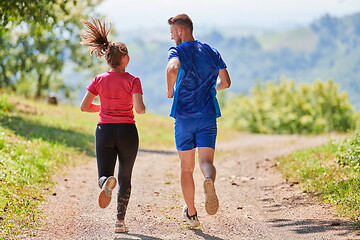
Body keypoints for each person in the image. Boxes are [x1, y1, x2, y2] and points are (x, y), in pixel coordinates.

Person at [79, 17, 145, 233]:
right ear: (125, 58)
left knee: (104, 174)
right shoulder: (133, 80)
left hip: (105, 130)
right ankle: (119, 222)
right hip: (127, 131)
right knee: (125, 177)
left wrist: (105, 107)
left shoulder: (98, 79)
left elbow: (84, 107)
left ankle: (106, 182)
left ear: (107, 59)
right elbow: (139, 109)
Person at [166, 14, 231, 228]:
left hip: (184, 116)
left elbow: (172, 68)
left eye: (172, 32)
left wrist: (170, 89)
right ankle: (208, 180)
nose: (171, 36)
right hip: (208, 114)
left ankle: (192, 214)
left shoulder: (177, 51)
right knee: (206, 163)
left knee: (186, 168)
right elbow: (226, 82)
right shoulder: (212, 51)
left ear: (181, 31)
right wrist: (212, 88)